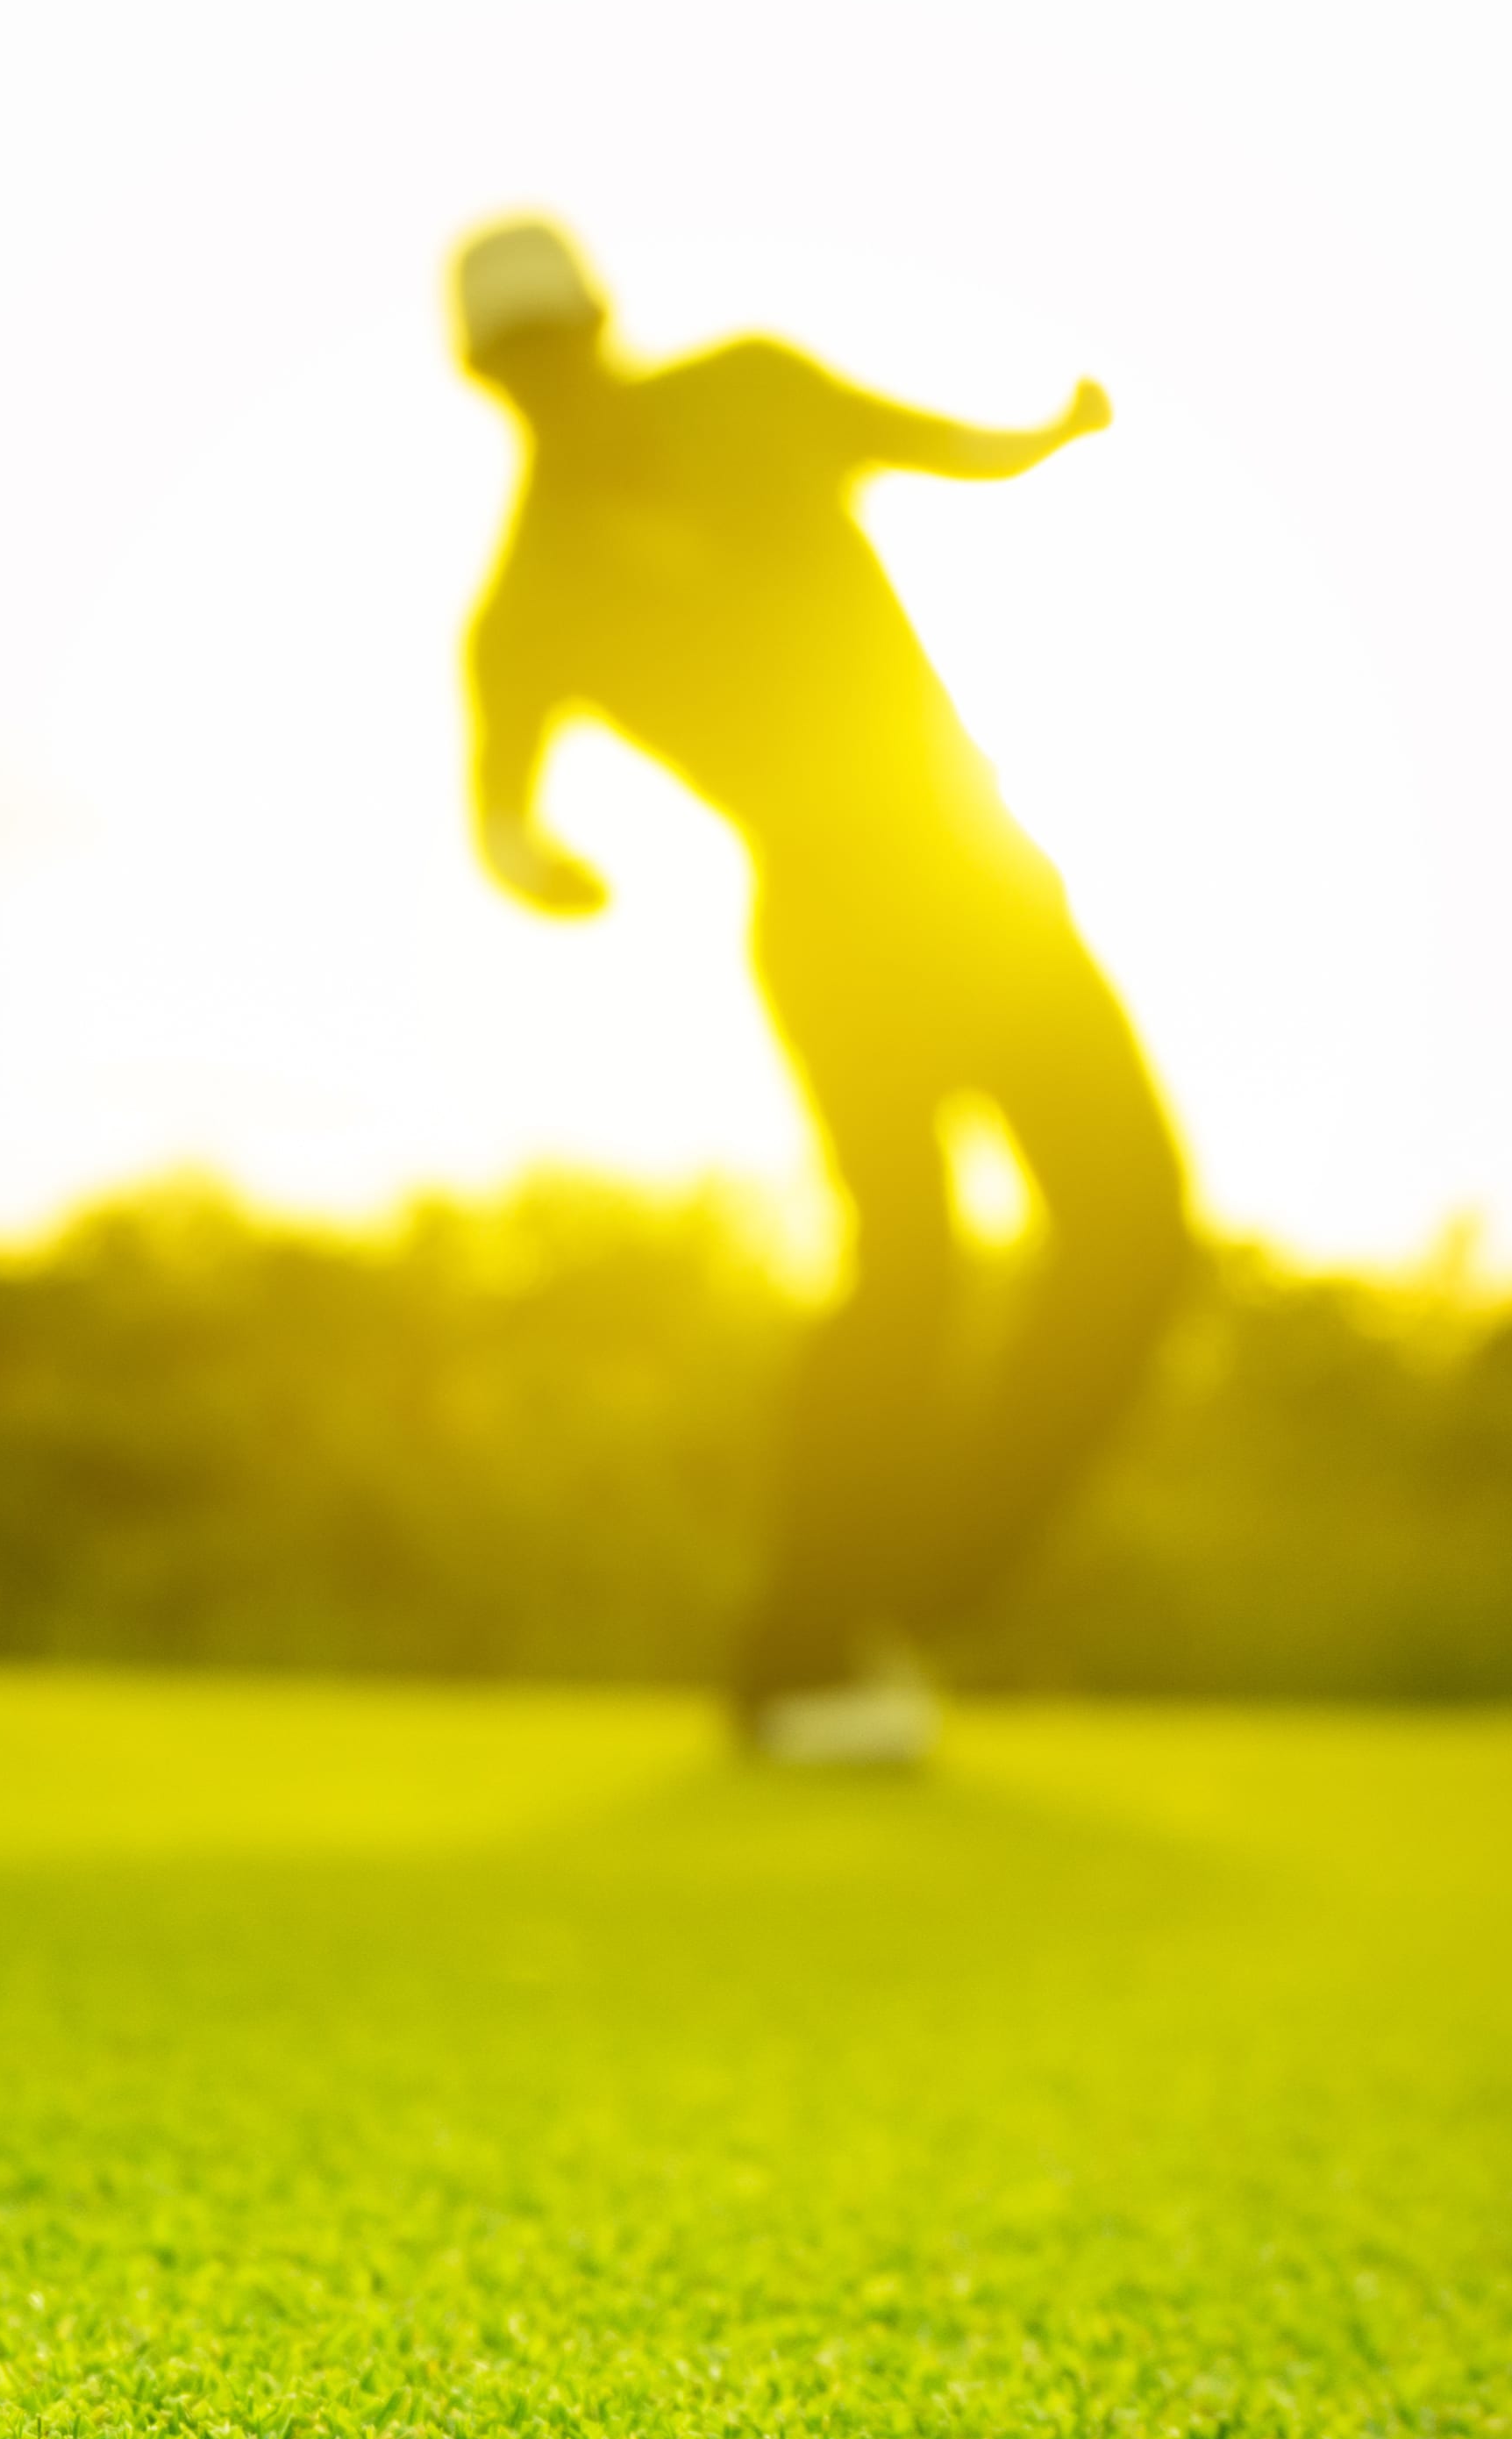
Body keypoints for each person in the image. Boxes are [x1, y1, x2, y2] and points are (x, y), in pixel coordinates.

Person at [453, 217, 1194, 1765]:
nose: (549, 382)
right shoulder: (527, 597)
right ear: (489, 381)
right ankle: (804, 1652)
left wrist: (1050, 434)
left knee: (1130, 1230)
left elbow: (949, 448)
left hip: (977, 872)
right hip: (832, 916)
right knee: (910, 1257)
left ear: (596, 324)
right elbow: (504, 819)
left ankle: (897, 1591)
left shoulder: (756, 396)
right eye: (519, 364)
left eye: (556, 346)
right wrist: (545, 870)